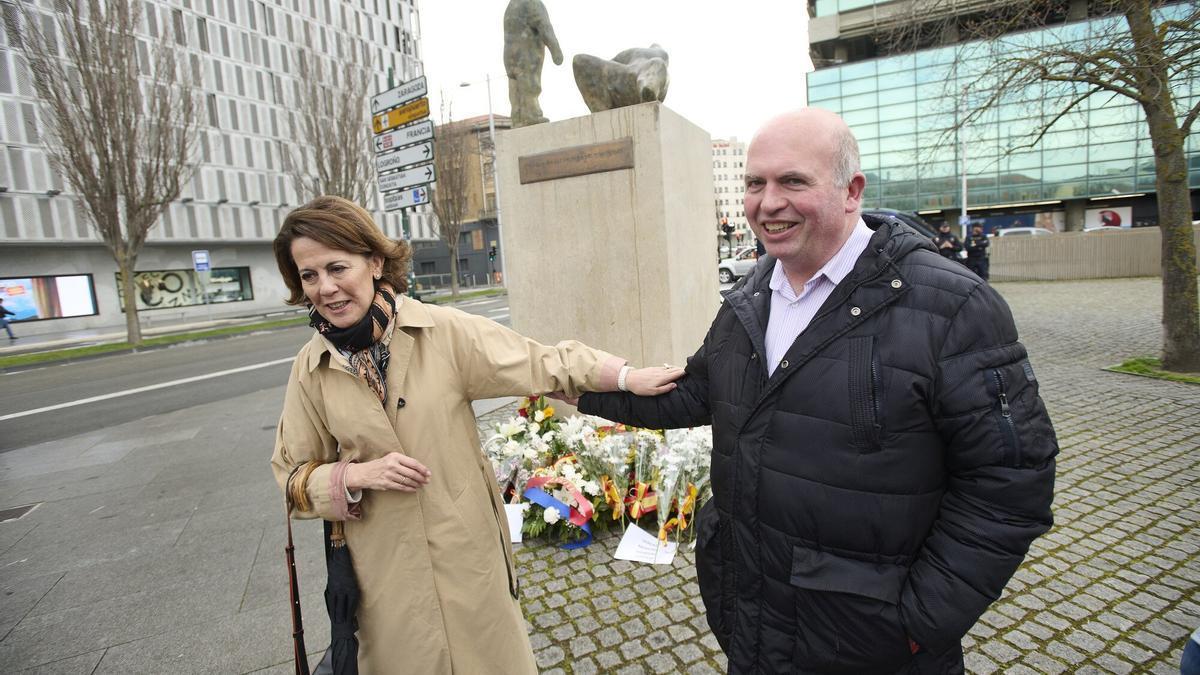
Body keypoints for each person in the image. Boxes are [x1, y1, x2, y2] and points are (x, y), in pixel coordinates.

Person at [576, 109, 1057, 673]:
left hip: (877, 649)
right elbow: (696, 392)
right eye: (755, 183)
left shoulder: (953, 307)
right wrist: (579, 387)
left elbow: (1010, 483)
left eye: (792, 181)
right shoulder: (752, 295)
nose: (767, 202)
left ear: (851, 191)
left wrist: (919, 623)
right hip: (756, 627)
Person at [269, 196, 682, 673]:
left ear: (375, 261)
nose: (326, 288)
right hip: (384, 576)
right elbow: (291, 476)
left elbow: (539, 361)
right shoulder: (311, 367)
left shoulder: (439, 332)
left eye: (337, 268)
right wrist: (356, 475)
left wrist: (628, 377)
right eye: (309, 276)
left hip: (466, 556)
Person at [503, 0, 562, 127]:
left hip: (509, 55)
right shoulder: (532, 3)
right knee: (529, 84)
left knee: (515, 89)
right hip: (527, 52)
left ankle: (517, 117)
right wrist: (556, 51)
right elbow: (544, 26)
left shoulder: (511, 6)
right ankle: (532, 114)